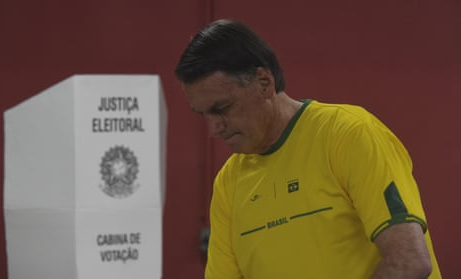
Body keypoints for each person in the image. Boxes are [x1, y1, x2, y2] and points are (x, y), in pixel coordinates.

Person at [174, 19, 441, 279]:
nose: (214, 129)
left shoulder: (348, 135)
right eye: (203, 114)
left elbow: (409, 261)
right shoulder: (228, 184)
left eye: (222, 108)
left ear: (264, 82)